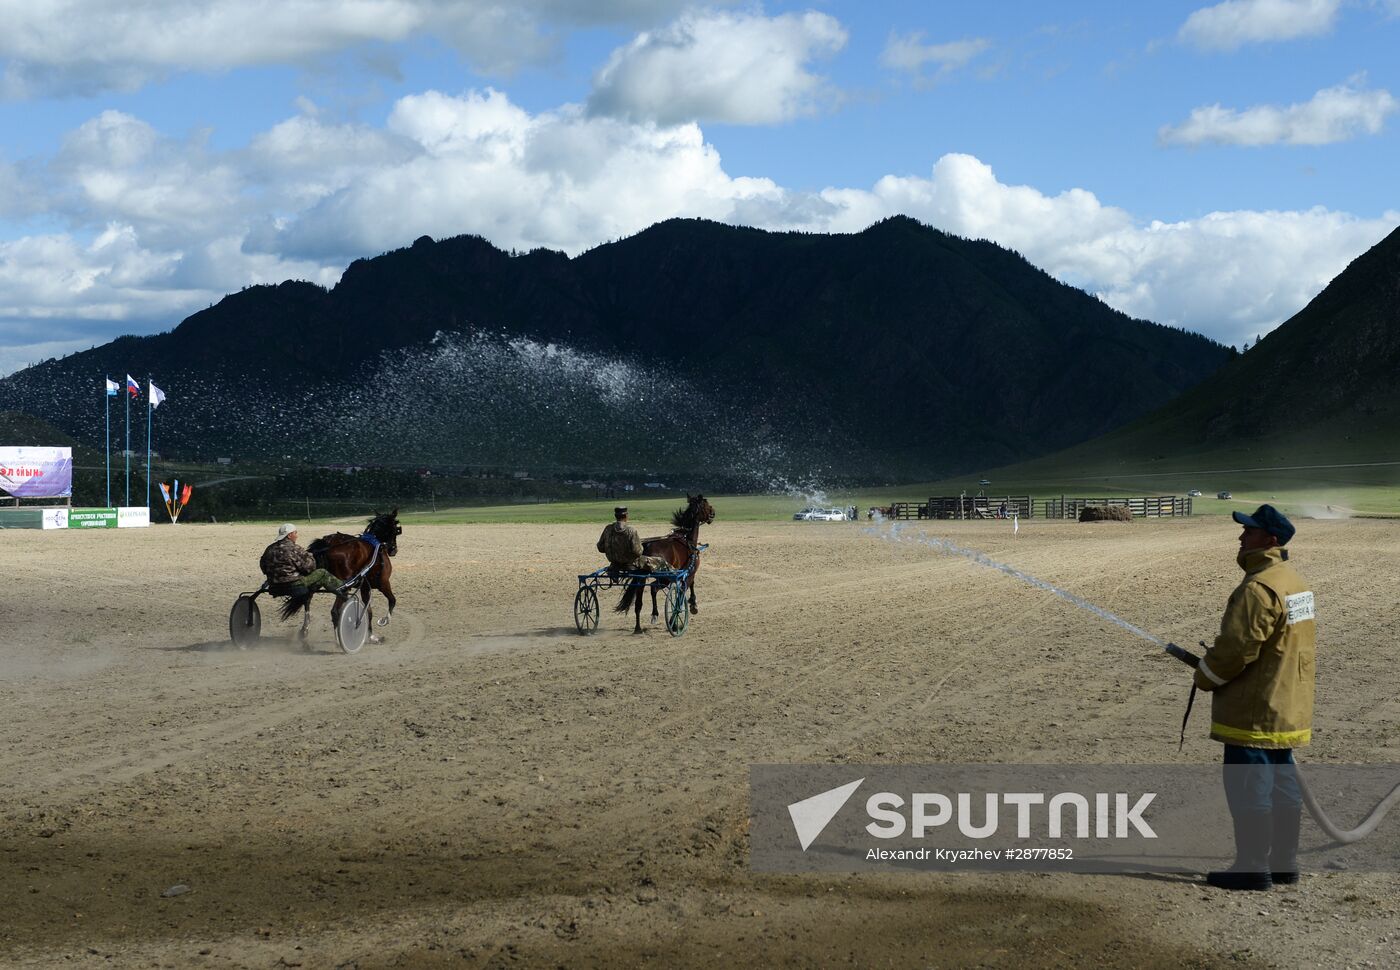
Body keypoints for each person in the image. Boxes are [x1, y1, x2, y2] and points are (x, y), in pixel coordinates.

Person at [1193, 504, 1315, 891]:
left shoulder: (1258, 588)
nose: (1241, 537)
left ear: (1271, 539)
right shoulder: (1293, 581)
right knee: (1282, 784)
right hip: (1286, 705)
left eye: (1250, 531)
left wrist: (1206, 675)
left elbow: (1237, 648)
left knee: (1249, 786)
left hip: (1255, 709)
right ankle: (1283, 863)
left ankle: (1250, 866)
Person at [260, 523, 346, 596]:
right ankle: (342, 587)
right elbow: (310, 568)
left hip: (274, 586)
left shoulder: (269, 549)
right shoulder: (295, 549)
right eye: (295, 533)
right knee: (322, 573)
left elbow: (263, 567)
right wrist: (310, 557)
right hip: (293, 585)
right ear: (289, 535)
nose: (297, 536)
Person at [596, 507, 670, 573]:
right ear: (626, 516)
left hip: (614, 564)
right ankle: (674, 573)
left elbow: (600, 548)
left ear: (615, 516)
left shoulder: (608, 529)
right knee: (661, 561)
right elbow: (637, 552)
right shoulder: (631, 531)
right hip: (631, 565)